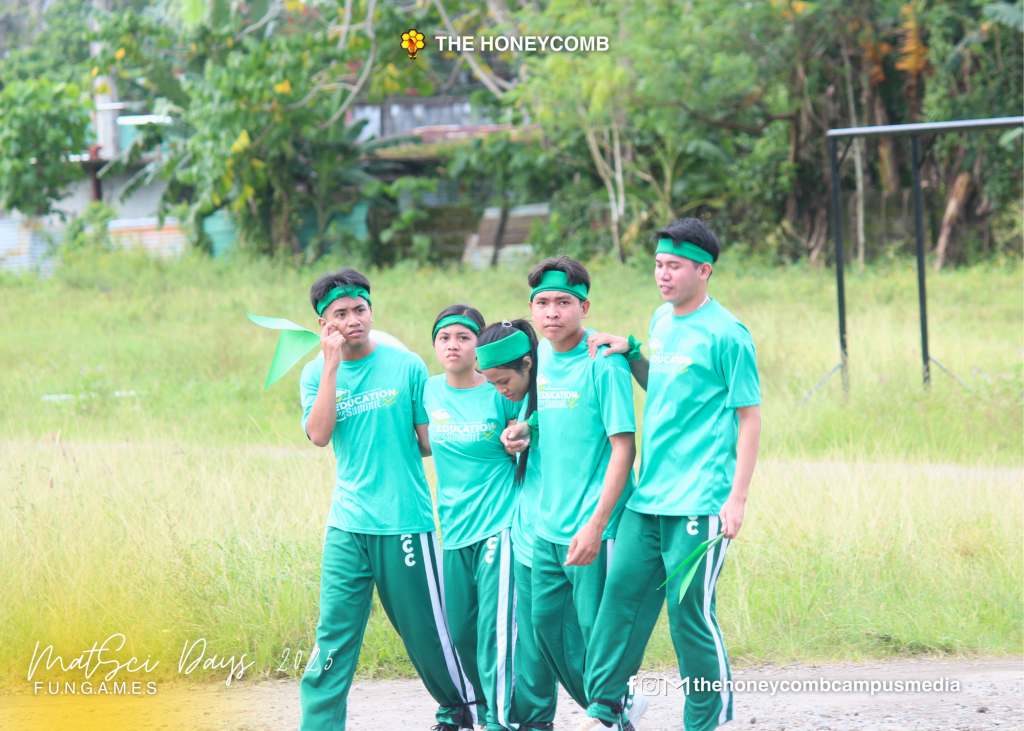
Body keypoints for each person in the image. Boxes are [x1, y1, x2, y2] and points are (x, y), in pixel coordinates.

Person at [579, 218, 762, 731]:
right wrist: (632, 351)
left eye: (674, 266)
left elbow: (749, 418)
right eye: (659, 264)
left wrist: (737, 498)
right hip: (649, 496)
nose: (663, 274)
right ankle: (606, 709)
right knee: (620, 598)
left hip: (700, 501)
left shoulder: (728, 335)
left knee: (688, 615)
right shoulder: (661, 320)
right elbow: (661, 382)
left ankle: (707, 719)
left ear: (704, 271)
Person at [297, 269, 476, 731]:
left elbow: (428, 441)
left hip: (404, 521)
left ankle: (462, 709)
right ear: (323, 323)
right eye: (340, 314)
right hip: (347, 523)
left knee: (427, 632)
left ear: (371, 311)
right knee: (332, 636)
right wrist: (331, 366)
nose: (352, 320)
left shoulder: (407, 365)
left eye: (359, 309)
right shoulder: (315, 373)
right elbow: (319, 434)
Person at [501, 256, 648, 729]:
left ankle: (608, 710)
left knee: (596, 631)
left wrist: (597, 525)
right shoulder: (540, 357)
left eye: (563, 302)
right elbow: (550, 419)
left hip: (593, 525)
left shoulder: (603, 361)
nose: (552, 312)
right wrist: (526, 429)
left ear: (584, 307)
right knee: (546, 625)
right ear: (531, 307)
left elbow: (624, 448)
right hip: (547, 527)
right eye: (543, 302)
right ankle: (615, 708)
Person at [422, 305, 521, 731]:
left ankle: (502, 718)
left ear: (479, 345)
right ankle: (483, 709)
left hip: (500, 523)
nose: (453, 345)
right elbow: (417, 441)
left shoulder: (498, 389)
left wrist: (518, 437)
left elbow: (524, 434)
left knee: (495, 629)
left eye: (463, 337)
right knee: (461, 631)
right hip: (454, 529)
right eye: (444, 338)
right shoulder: (428, 391)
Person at [477, 319, 560, 731]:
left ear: (528, 363)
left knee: (558, 632)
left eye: (503, 381)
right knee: (532, 633)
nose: (500, 390)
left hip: (567, 528)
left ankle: (616, 702)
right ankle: (537, 720)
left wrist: (532, 429)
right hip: (530, 529)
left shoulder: (555, 387)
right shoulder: (520, 398)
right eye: (492, 383)